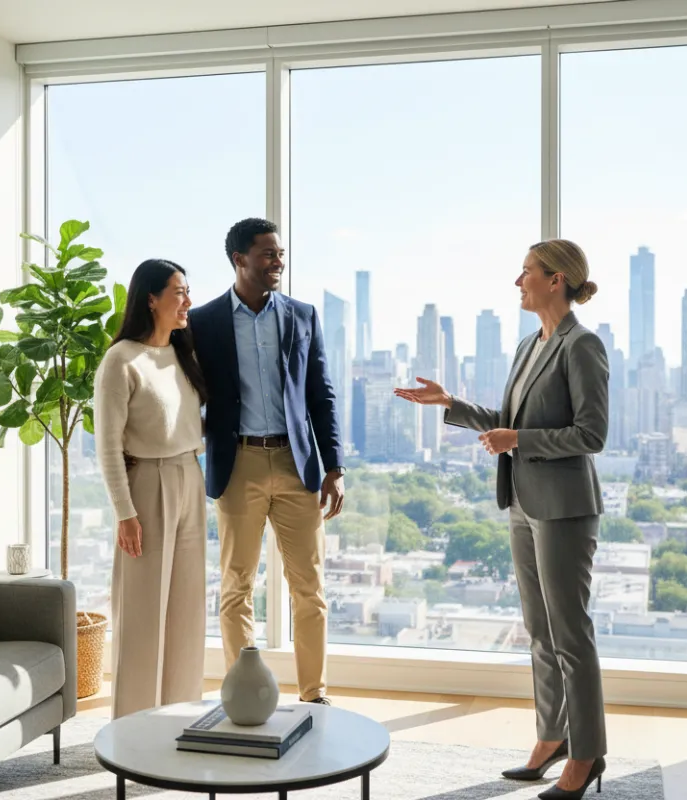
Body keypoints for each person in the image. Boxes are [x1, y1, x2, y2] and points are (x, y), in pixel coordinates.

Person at [395, 239, 609, 800]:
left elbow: (592, 434)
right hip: (522, 502)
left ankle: (586, 754)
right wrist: (450, 403)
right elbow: (505, 419)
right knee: (540, 633)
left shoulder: (581, 346)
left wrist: (521, 440)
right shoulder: (528, 345)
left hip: (564, 508)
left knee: (570, 635)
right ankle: (551, 738)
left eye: (527, 273)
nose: (518, 282)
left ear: (556, 280)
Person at [188, 217, 345, 705]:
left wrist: (334, 467)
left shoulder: (302, 315)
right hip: (238, 466)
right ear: (240, 260)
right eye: (268, 254)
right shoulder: (204, 322)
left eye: (280, 254)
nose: (278, 262)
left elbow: (321, 394)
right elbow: (186, 395)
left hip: (298, 465)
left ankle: (314, 694)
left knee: (310, 588)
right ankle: (244, 693)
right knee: (236, 586)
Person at [94, 258, 207, 719]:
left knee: (185, 612)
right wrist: (125, 512)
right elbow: (107, 445)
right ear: (151, 299)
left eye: (187, 291)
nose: (187, 301)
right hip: (147, 486)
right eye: (178, 292)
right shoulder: (120, 360)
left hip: (189, 479)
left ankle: (178, 719)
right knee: (142, 615)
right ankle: (131, 731)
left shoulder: (183, 354)